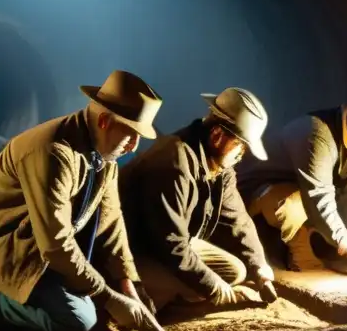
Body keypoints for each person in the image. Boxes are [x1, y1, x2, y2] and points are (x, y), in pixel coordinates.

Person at [0, 69, 166, 331]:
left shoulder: (105, 155)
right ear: (104, 121)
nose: (134, 147)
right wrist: (109, 298)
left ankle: (16, 291)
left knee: (93, 298)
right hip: (7, 242)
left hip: (39, 240)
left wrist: (130, 287)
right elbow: (55, 244)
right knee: (80, 321)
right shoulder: (54, 152)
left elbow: (112, 222)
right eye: (130, 136)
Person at [119, 87, 278, 312]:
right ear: (217, 135)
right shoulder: (174, 161)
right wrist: (220, 292)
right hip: (135, 249)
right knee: (190, 285)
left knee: (235, 271)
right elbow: (170, 244)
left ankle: (173, 293)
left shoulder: (220, 166)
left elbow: (238, 220)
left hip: (172, 243)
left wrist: (259, 266)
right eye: (240, 145)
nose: (242, 153)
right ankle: (146, 299)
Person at [237, 96, 347, 279]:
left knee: (330, 220)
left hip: (299, 186)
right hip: (255, 189)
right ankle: (299, 261)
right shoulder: (316, 134)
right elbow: (318, 198)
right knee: (294, 207)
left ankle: (311, 242)